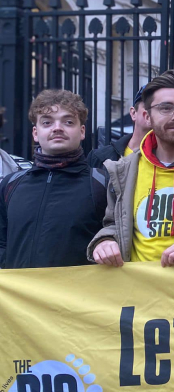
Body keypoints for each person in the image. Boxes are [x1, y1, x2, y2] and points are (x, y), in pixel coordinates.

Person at [87, 70, 174, 267]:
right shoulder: (124, 169)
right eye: (166, 108)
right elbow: (113, 224)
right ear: (146, 115)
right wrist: (104, 242)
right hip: (141, 292)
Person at [0, 90, 105, 268]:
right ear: (35, 132)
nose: (57, 128)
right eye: (47, 122)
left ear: (82, 131)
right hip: (17, 294)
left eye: (68, 122)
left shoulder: (102, 183)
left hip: (78, 294)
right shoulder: (11, 184)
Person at [87, 85, 152, 169]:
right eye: (149, 106)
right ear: (133, 113)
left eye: (164, 108)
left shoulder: (171, 159)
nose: (155, 112)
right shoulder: (99, 157)